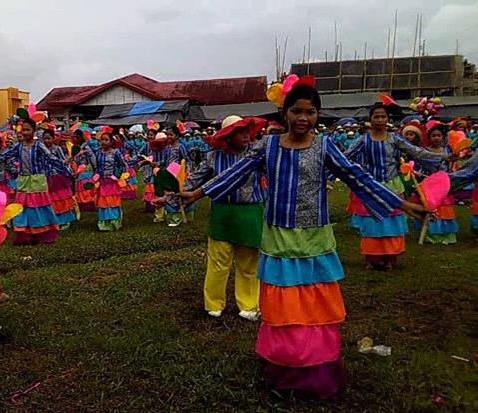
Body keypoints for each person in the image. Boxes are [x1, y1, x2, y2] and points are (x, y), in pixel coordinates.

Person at [179, 82, 426, 399]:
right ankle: (285, 364)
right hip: (279, 239)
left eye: (310, 112)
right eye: (296, 110)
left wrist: (402, 204)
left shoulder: (325, 146)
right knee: (283, 307)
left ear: (317, 115)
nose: (303, 117)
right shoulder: (266, 146)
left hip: (314, 240)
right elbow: (233, 174)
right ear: (284, 113)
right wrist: (195, 193)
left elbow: (356, 176)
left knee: (313, 307)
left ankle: (316, 365)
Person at [176, 115, 265, 320]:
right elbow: (194, 180)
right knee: (218, 262)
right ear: (228, 135)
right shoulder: (213, 157)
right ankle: (214, 303)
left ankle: (249, 305)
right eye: (240, 132)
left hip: (250, 212)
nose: (246, 136)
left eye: (247, 131)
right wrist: (172, 198)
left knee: (249, 263)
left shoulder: (256, 156)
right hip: (222, 213)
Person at [344, 103, 453, 269]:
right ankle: (373, 259)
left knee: (391, 223)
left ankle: (390, 258)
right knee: (374, 222)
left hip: (393, 185)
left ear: (388, 119)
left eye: (383, 116)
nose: (380, 120)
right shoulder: (362, 140)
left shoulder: (394, 138)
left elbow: (416, 152)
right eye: (376, 116)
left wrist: (442, 157)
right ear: (370, 120)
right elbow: (345, 158)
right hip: (372, 187)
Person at [1, 116, 64, 245]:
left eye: (27, 130)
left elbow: (51, 158)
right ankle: (24, 234)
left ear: (34, 131)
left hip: (37, 180)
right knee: (22, 207)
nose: (25, 132)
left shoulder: (39, 146)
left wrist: (65, 169)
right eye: (23, 130)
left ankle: (41, 233)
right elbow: (5, 156)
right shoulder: (18, 147)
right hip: (23, 180)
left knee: (37, 206)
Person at [413, 121, 458, 244]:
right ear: (429, 138)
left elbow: (449, 168)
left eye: (439, 135)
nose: (436, 138)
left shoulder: (447, 150)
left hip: (444, 184)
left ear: (443, 137)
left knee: (443, 208)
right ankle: (430, 235)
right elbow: (419, 167)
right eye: (433, 135)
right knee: (430, 208)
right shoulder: (424, 151)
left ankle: (445, 235)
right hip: (429, 184)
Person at [42, 129, 76, 230]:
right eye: (45, 139)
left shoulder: (57, 149)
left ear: (53, 139)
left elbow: (63, 160)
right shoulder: (41, 149)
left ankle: (64, 220)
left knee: (61, 198)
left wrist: (67, 166)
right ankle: (52, 220)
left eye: (49, 138)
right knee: (49, 199)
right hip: (46, 177)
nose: (47, 141)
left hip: (57, 176)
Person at [95, 132, 128, 231]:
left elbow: (123, 165)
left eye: (106, 140)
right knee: (103, 202)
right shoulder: (98, 153)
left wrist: (117, 175)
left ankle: (114, 222)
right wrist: (96, 177)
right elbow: (97, 167)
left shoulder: (116, 152)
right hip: (102, 181)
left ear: (111, 141)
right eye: (102, 140)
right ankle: (104, 224)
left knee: (112, 201)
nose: (104, 142)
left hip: (112, 181)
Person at [70, 130, 97, 212]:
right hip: (78, 169)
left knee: (86, 187)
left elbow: (91, 156)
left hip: (86, 169)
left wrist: (95, 166)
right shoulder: (74, 147)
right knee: (80, 187)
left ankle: (89, 204)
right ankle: (82, 204)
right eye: (73, 137)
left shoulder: (85, 146)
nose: (74, 139)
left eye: (76, 137)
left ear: (80, 138)